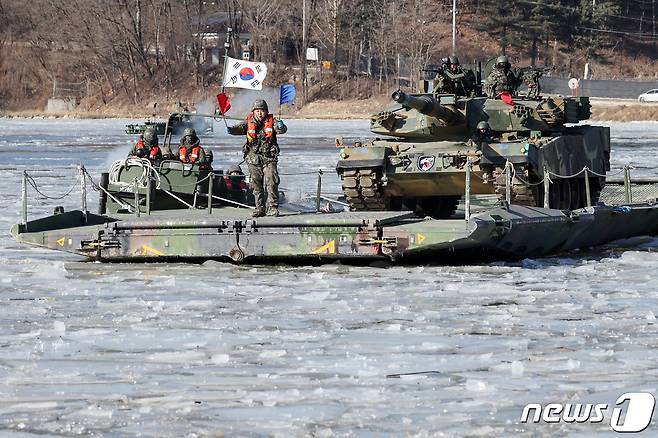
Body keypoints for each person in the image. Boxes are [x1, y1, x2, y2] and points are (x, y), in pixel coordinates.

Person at [227, 99, 287, 217]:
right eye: (257, 111)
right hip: (253, 158)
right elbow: (238, 129)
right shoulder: (248, 123)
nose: (260, 113)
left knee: (272, 181)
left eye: (262, 111)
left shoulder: (272, 122)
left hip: (269, 158)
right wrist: (231, 129)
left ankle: (272, 207)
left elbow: (281, 130)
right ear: (253, 112)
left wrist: (281, 126)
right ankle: (259, 208)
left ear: (266, 112)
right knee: (256, 184)